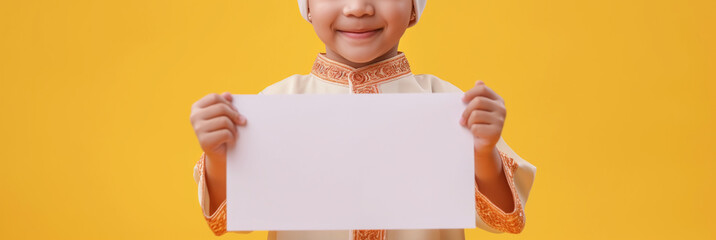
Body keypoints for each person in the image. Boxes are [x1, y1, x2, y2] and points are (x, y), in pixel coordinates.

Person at [190, 0, 537, 239]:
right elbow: (231, 220)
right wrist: (219, 158)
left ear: (414, 8)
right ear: (307, 5)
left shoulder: (451, 105)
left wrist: (482, 152)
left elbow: (504, 218)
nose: (358, 7)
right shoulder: (276, 105)